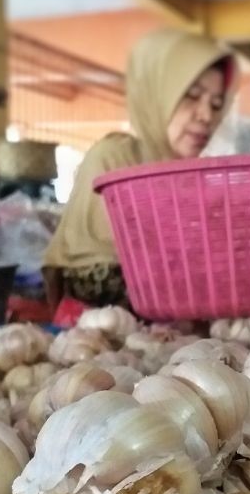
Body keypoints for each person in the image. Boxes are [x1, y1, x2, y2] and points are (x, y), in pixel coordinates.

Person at [42, 28, 238, 309]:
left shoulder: (191, 178)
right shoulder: (114, 160)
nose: (206, 116)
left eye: (216, 104)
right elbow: (98, 279)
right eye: (192, 96)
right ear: (156, 94)